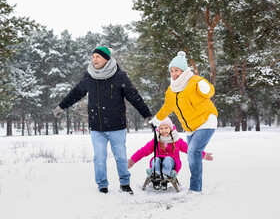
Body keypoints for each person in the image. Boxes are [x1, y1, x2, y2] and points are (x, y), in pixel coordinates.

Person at [53, 46, 152, 194]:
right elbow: (76, 92)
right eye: (93, 57)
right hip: (96, 126)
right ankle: (102, 186)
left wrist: (147, 115)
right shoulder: (89, 76)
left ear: (107, 59)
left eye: (98, 57)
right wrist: (62, 106)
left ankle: (124, 183)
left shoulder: (120, 76)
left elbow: (134, 96)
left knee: (121, 157)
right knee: (99, 157)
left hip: (117, 126)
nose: (94, 59)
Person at [148, 51, 218, 192]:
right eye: (172, 71)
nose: (174, 74)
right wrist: (156, 119)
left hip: (206, 120)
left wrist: (207, 90)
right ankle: (195, 186)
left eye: (177, 70)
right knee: (192, 156)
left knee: (193, 152)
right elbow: (167, 107)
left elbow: (209, 90)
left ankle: (195, 189)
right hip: (190, 127)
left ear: (184, 70)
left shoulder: (195, 81)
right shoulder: (171, 90)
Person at [128, 117, 213, 190]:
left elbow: (190, 150)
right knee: (156, 159)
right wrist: (131, 161)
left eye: (166, 128)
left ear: (171, 128)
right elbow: (143, 151)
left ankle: (165, 176)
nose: (164, 130)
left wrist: (204, 155)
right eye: (161, 128)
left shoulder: (177, 141)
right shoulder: (156, 141)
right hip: (158, 164)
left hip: (172, 164)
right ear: (158, 129)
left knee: (168, 159)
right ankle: (155, 178)